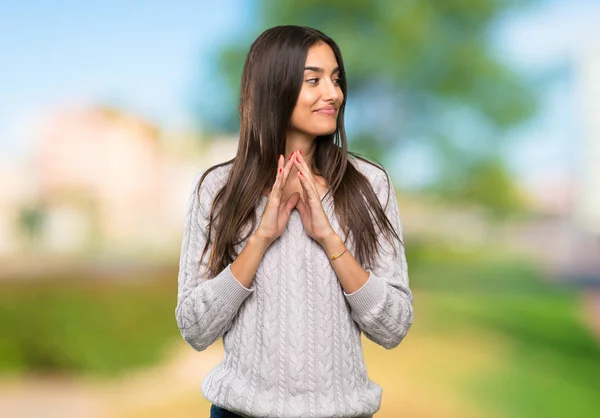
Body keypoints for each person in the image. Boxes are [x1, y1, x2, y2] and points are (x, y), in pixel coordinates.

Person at [175, 25, 414, 418]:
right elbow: (195, 328)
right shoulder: (217, 190)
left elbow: (394, 327)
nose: (333, 93)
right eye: (313, 80)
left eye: (336, 79)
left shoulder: (370, 185)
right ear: (273, 89)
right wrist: (262, 237)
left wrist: (329, 239)